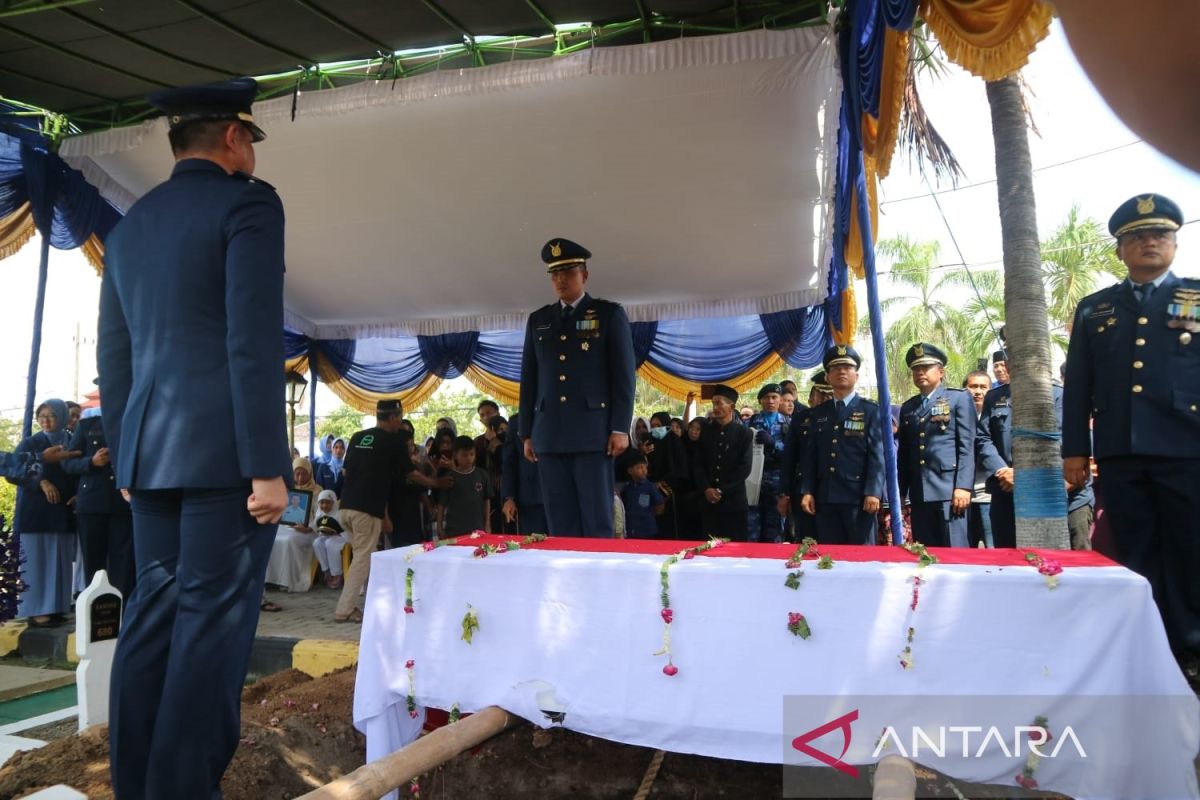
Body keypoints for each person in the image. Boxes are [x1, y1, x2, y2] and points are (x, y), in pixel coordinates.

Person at [96, 78, 292, 800]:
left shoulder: (131, 224)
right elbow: (251, 339)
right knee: (211, 632)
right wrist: (267, 465)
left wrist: (125, 454)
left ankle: (138, 783)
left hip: (151, 456)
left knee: (152, 621)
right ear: (235, 139)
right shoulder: (249, 202)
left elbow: (114, 356)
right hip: (225, 461)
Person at [1062, 193, 1200, 679]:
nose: (1149, 242)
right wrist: (1076, 449)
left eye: (1159, 234)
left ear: (1175, 244)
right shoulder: (1095, 308)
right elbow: (1078, 382)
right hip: (1121, 451)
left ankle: (1190, 649)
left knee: (1190, 550)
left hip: (1188, 451)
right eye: (1136, 236)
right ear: (1119, 250)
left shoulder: (1196, 297)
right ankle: (1146, 652)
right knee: (1134, 553)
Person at [519, 238, 636, 537]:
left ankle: (600, 580)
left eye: (568, 272)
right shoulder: (539, 320)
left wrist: (620, 427)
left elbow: (623, 376)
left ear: (584, 275)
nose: (560, 280)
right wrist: (527, 432)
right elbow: (529, 379)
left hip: (592, 433)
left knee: (597, 519)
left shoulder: (608, 314)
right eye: (555, 274)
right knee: (560, 521)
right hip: (549, 433)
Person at [336, 399, 449, 623]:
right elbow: (412, 474)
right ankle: (345, 609)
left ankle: (365, 602)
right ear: (394, 418)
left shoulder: (358, 436)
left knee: (361, 555)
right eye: (399, 418)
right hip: (366, 509)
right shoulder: (395, 440)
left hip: (345, 507)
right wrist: (435, 484)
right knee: (363, 558)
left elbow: (346, 472)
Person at [977, 362, 1094, 550]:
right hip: (1005, 490)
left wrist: (1023, 477)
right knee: (1008, 563)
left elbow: (1067, 443)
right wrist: (1002, 470)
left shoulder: (1060, 395)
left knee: (1064, 566)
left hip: (1057, 495)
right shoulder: (995, 397)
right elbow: (983, 437)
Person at [798, 346, 885, 544]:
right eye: (836, 368)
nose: (842, 372)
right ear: (827, 377)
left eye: (847, 367)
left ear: (857, 375)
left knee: (862, 557)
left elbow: (877, 456)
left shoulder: (870, 411)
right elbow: (811, 457)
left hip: (859, 498)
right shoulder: (819, 413)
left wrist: (873, 491)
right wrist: (808, 490)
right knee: (830, 557)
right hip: (825, 497)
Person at [897, 343, 975, 548]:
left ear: (940, 372)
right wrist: (901, 491)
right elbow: (904, 454)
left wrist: (963, 487)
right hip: (919, 492)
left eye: (926, 367)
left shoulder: (958, 398)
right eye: (915, 369)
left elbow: (967, 447)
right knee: (926, 554)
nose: (920, 372)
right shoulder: (908, 407)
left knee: (955, 553)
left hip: (949, 491)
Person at [12, 399, 77, 627]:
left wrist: (80, 493)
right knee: (36, 562)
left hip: (64, 511)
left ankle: (56, 606)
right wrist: (41, 481)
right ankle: (36, 611)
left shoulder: (71, 441)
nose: (46, 421)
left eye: (52, 416)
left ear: (62, 417)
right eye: (42, 417)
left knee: (59, 561)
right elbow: (14, 471)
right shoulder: (31, 443)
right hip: (36, 512)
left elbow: (81, 471)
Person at [61, 404, 134, 598]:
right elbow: (67, 462)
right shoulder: (88, 423)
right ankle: (95, 611)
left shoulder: (132, 415)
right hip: (93, 502)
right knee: (94, 565)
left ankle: (121, 613)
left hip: (123, 502)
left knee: (123, 565)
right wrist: (91, 462)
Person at [691, 385, 754, 541]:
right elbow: (698, 464)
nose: (715, 408)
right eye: (713, 404)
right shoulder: (706, 431)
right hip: (709, 503)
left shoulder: (743, 433)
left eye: (719, 403)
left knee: (736, 549)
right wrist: (706, 488)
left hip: (734, 502)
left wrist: (720, 490)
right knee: (708, 548)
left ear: (731, 407)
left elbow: (744, 468)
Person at [744, 384, 789, 543]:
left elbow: (792, 455)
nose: (770, 401)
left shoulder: (788, 424)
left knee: (775, 528)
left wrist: (774, 444)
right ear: (760, 400)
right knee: (751, 528)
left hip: (778, 480)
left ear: (780, 400)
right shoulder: (750, 423)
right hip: (754, 479)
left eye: (774, 397)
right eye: (766, 397)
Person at [963, 370, 995, 548]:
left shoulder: (996, 419)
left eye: (983, 387)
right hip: (961, 498)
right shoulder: (953, 417)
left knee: (994, 551)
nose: (978, 391)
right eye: (973, 386)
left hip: (988, 498)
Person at [501, 412, 546, 534]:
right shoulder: (516, 421)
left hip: (563, 497)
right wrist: (508, 498)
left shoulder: (561, 413)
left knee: (565, 547)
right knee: (532, 547)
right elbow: (509, 464)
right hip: (530, 499)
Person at [437, 436, 491, 537]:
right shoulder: (449, 478)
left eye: (472, 454)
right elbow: (441, 504)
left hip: (477, 528)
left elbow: (486, 500)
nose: (469, 458)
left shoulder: (482, 475)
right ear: (455, 455)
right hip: (454, 530)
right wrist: (439, 526)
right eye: (464, 455)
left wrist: (487, 523)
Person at [620, 451, 664, 538]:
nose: (644, 470)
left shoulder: (650, 487)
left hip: (648, 531)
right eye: (639, 467)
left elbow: (659, 505)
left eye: (645, 467)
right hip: (632, 530)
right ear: (630, 471)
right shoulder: (627, 489)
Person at [311, 489, 348, 589]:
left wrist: (336, 532)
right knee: (317, 542)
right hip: (327, 536)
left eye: (328, 503)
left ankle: (337, 573)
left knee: (330, 543)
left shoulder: (339, 513)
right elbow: (315, 527)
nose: (324, 505)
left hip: (341, 537)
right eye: (322, 502)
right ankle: (326, 570)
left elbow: (346, 530)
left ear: (334, 503)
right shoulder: (319, 513)